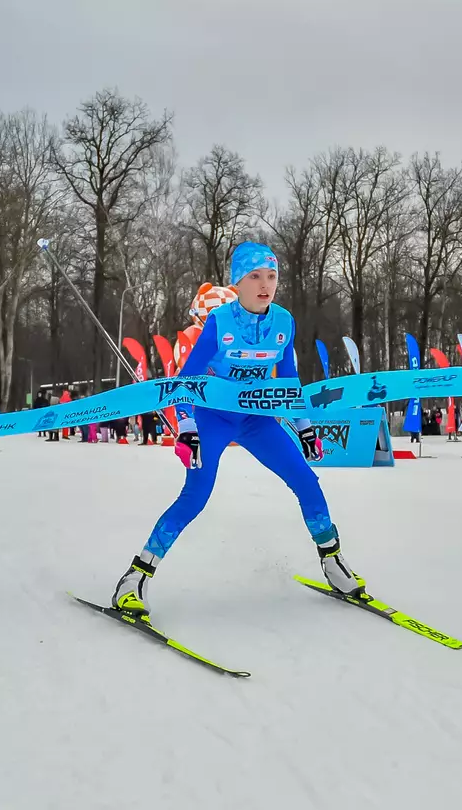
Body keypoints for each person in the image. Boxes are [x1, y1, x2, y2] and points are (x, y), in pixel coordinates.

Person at [108, 241, 360, 617]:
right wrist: (188, 428)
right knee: (196, 495)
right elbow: (185, 381)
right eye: (254, 276)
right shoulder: (219, 322)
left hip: (257, 419)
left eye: (271, 276)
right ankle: (134, 580)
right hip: (213, 417)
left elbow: (288, 379)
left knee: (306, 480)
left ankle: (332, 562)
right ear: (237, 284)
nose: (265, 284)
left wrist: (304, 428)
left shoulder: (283, 322)